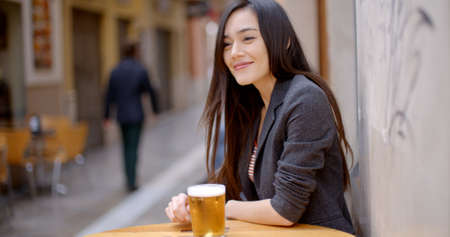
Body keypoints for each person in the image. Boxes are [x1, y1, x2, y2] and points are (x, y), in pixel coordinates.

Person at [165, 0, 354, 234]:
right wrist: (190, 203)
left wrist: (223, 207)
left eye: (248, 38)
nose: (234, 53)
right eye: (226, 44)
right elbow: (231, 184)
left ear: (284, 41)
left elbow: (285, 209)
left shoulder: (305, 99)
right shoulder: (254, 105)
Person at [104, 41, 159, 192]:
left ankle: (128, 178)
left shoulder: (115, 71)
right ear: (135, 52)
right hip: (136, 115)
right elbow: (150, 91)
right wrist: (155, 111)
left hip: (121, 115)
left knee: (125, 147)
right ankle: (132, 180)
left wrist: (107, 116)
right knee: (133, 148)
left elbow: (109, 95)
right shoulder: (140, 69)